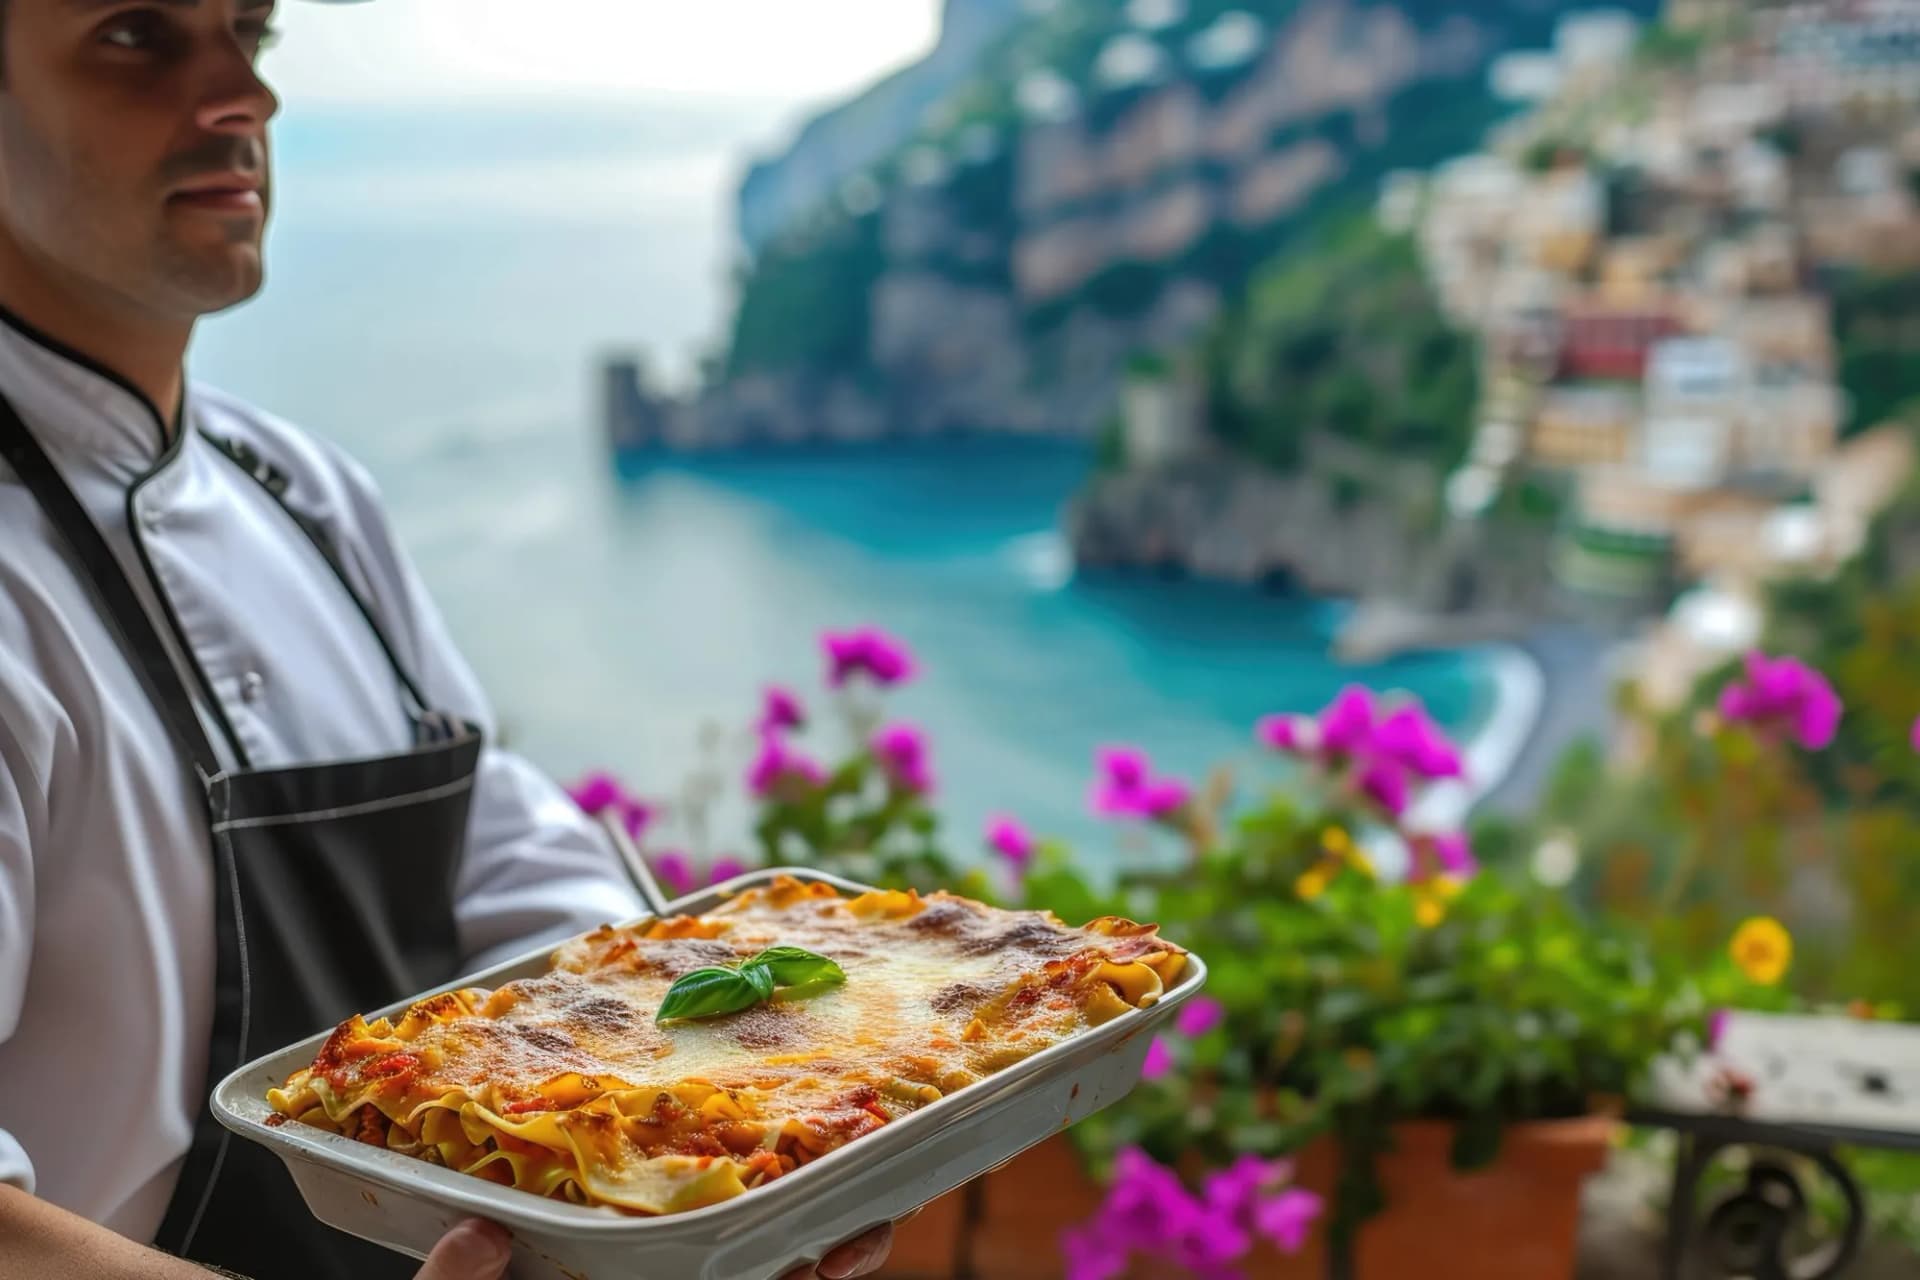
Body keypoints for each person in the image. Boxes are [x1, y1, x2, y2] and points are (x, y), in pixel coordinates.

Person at [0, 1, 897, 1277]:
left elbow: (507, 853)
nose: (240, 97)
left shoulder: (302, 492)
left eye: (248, 33)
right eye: (138, 34)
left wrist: (712, 1154)